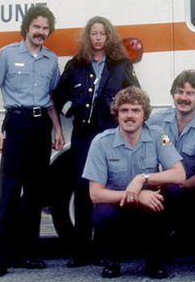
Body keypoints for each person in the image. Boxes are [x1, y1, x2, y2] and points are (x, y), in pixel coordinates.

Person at [53, 15, 140, 268]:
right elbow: (59, 96)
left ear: (109, 37)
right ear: (88, 37)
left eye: (103, 33)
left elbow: (135, 95)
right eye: (94, 33)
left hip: (110, 134)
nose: (99, 38)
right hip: (83, 136)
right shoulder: (76, 64)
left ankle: (106, 250)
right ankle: (81, 251)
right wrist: (71, 109)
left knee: (108, 188)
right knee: (82, 189)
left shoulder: (121, 64)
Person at [0, 5, 65, 277]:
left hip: (41, 126)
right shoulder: (7, 54)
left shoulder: (51, 60)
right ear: (27, 28)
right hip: (17, 125)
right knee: (9, 192)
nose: (41, 32)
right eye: (37, 27)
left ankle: (27, 254)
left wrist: (57, 130)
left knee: (34, 195)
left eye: (45, 28)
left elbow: (51, 98)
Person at [82, 86, 185, 279]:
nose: (130, 116)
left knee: (173, 192)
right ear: (116, 114)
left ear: (144, 114)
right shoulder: (101, 142)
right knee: (101, 213)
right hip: (118, 207)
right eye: (124, 110)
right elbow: (95, 194)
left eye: (136, 110)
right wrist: (136, 196)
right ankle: (111, 259)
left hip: (149, 210)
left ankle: (155, 259)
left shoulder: (157, 135)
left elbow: (179, 175)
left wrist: (143, 179)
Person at [147, 69, 195, 267]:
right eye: (179, 92)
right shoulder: (157, 121)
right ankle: (158, 251)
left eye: (190, 93)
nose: (183, 98)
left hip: (193, 187)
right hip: (165, 187)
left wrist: (182, 183)